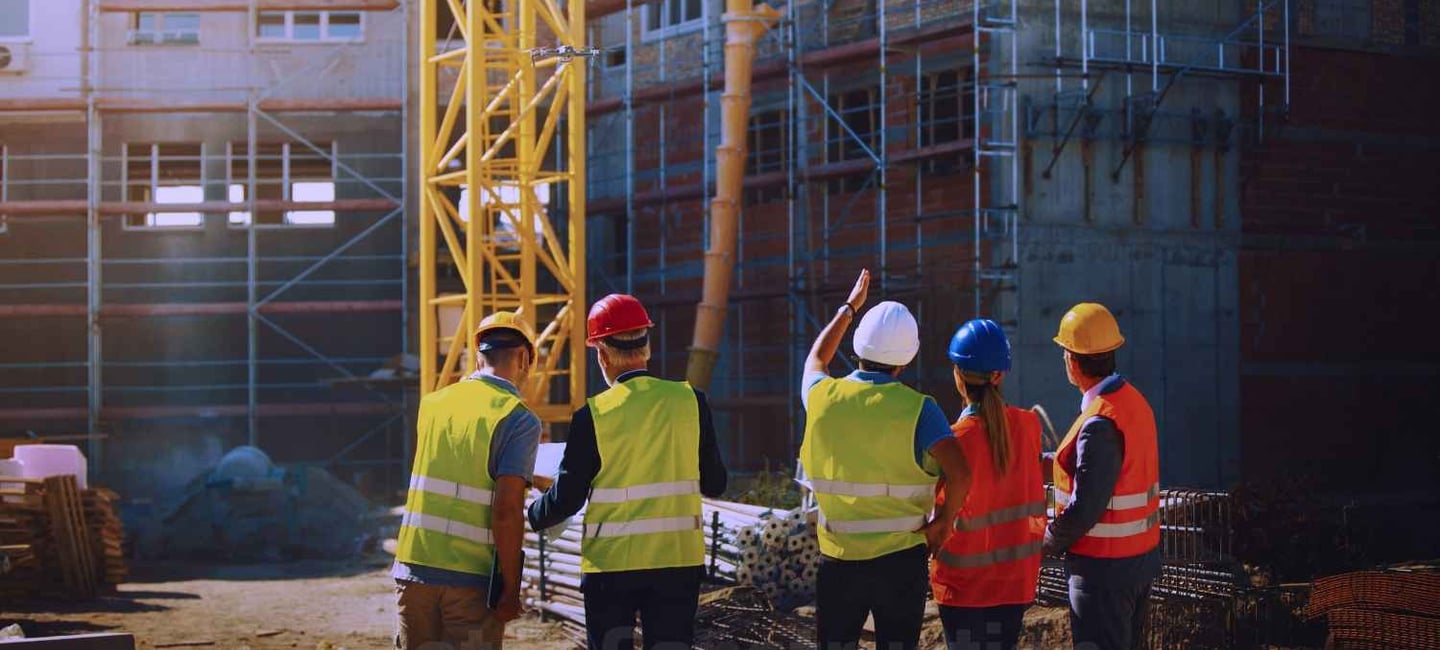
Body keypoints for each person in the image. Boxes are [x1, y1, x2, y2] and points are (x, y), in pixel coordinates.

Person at [528, 293, 727, 650]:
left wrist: (532, 513)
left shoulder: (593, 415)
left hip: (611, 570)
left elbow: (568, 499)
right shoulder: (692, 402)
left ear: (601, 354)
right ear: (646, 347)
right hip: (678, 564)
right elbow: (716, 483)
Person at [798, 269, 971, 650]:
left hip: (838, 559)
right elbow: (960, 473)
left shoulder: (821, 397)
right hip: (901, 561)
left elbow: (816, 357)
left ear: (858, 347)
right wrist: (944, 522)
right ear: (906, 358)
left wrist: (848, 308)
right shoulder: (920, 410)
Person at [393, 311, 542, 650]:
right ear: (523, 358)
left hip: (413, 570)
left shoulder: (432, 405)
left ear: (478, 355)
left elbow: (454, 468)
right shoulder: (519, 419)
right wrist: (510, 585)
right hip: (470, 583)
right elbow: (506, 509)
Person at [1044, 302, 1162, 650]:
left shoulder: (1100, 421)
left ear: (1072, 360)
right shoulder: (1132, 402)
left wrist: (1047, 540)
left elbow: (1086, 505)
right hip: (1136, 562)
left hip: (1103, 572)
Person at [930, 319, 1046, 650]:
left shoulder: (952, 440)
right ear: (999, 375)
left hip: (962, 590)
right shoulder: (1029, 425)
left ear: (957, 375)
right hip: (1013, 584)